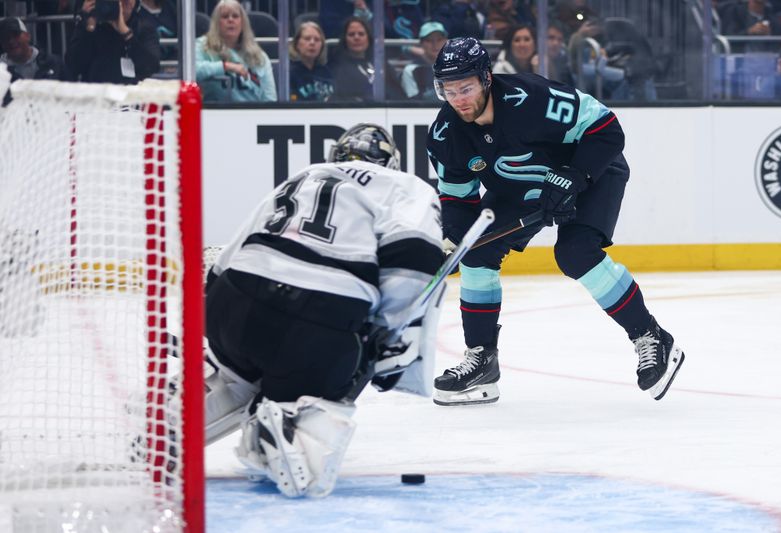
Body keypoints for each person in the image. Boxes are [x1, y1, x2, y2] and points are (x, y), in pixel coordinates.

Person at [426, 37, 685, 406]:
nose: (458, 99)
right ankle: (482, 359)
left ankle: (651, 336)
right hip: (522, 188)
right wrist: (453, 238)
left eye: (465, 87)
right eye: (448, 90)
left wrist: (575, 176)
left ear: (486, 78)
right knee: (474, 254)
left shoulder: (532, 99)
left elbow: (607, 130)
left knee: (576, 253)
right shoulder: (445, 134)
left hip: (591, 169)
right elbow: (456, 199)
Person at [201, 124, 444, 498]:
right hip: (314, 323)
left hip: (231, 305)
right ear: (390, 162)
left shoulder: (303, 176)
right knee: (347, 359)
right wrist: (380, 339)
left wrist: (219, 334)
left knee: (238, 368)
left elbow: (221, 262)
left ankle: (187, 406)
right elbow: (413, 263)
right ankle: (287, 427)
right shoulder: (404, 185)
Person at [195, 0, 276, 103]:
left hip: (252, 113)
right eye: (225, 16)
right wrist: (224, 66)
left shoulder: (258, 55)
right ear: (216, 23)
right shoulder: (202, 45)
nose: (230, 20)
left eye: (235, 16)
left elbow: (270, 97)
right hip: (214, 112)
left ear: (243, 23)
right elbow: (192, 71)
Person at [66, 0, 160, 84]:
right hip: (97, 93)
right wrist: (87, 24)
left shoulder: (143, 27)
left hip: (130, 93)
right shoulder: (93, 27)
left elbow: (152, 67)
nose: (120, 5)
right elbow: (72, 65)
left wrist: (126, 33)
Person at [0, 17, 69, 105]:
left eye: (15, 34)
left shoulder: (53, 63)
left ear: (27, 36)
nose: (11, 41)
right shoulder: (1, 72)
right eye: (5, 38)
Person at [329, 16, 375, 102]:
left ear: (368, 38)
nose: (356, 38)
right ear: (345, 39)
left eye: (361, 34)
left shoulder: (381, 65)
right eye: (351, 34)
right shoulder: (337, 69)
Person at [401, 21, 448, 100]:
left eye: (439, 39)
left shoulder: (455, 67)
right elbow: (414, 103)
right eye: (429, 40)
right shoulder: (410, 70)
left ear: (446, 41)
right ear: (421, 43)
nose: (435, 44)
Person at [290, 21, 334, 102]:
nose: (312, 43)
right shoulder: (288, 73)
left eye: (317, 40)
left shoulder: (327, 72)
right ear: (297, 44)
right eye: (307, 39)